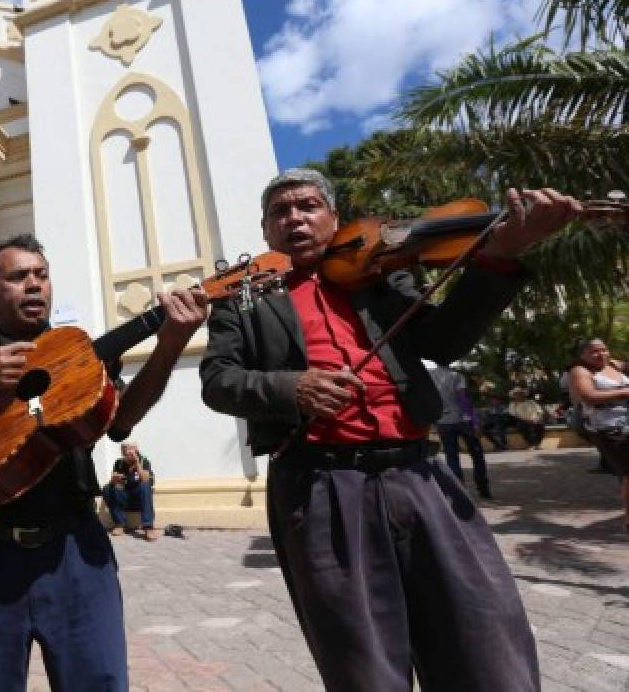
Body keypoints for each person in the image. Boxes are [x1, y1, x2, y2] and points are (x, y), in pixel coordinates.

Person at [200, 168, 579, 691]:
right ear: (267, 232)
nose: (295, 218)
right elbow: (218, 381)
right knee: (364, 663)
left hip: (418, 474)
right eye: (280, 212)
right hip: (319, 485)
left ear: (334, 218)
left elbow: (445, 341)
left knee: (486, 639)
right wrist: (293, 388)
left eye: (308, 206)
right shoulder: (243, 298)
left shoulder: (382, 274)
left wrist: (502, 253)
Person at [0, 233, 208, 691]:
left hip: (75, 552)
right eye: (18, 276)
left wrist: (170, 345)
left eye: (41, 275)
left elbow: (120, 421)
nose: (34, 285)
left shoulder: (79, 352)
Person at [567, 338, 629, 531]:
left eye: (604, 349)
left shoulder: (613, 365)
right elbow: (589, 396)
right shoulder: (580, 371)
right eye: (594, 351)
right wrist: (625, 392)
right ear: (583, 355)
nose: (601, 354)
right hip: (607, 430)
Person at [426, 362, 491, 499]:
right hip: (463, 420)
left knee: (452, 456)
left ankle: (459, 491)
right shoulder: (456, 375)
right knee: (477, 454)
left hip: (443, 421)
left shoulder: (430, 376)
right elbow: (462, 398)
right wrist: (475, 420)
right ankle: (483, 488)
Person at [102, 442, 158, 539]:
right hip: (125, 499)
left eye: (131, 453)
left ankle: (148, 526)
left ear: (136, 452)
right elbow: (113, 482)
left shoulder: (143, 461)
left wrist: (137, 463)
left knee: (145, 485)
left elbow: (146, 480)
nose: (128, 456)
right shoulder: (119, 463)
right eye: (125, 454)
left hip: (140, 500)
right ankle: (119, 524)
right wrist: (114, 479)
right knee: (107, 488)